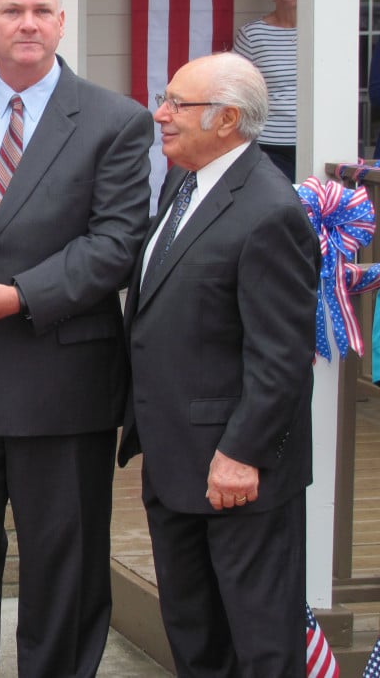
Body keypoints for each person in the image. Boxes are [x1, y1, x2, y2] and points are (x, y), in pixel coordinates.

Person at [0, 0, 153, 678]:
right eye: (13, 11)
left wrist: (22, 294)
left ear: (61, 21)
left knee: (65, 569)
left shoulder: (116, 119)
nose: (28, 23)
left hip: (62, 377)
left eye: (42, 10)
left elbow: (117, 243)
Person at [118, 52, 319, 676]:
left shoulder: (270, 209)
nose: (162, 113)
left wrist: (242, 454)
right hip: (176, 460)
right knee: (195, 632)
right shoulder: (186, 181)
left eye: (179, 103)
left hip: (236, 475)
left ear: (228, 119)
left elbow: (281, 355)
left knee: (258, 641)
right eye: (165, 97)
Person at [232, 0, 298, 180]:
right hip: (270, 143)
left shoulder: (321, 31)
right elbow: (237, 87)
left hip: (314, 138)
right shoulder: (253, 34)